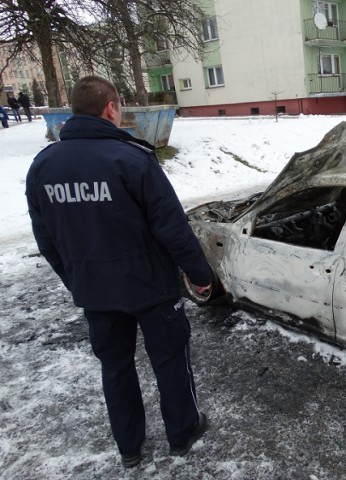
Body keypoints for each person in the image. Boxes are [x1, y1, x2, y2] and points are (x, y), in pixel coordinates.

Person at [25, 75, 212, 468]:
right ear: (111, 108)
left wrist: (76, 278)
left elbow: (47, 239)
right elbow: (172, 226)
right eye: (120, 106)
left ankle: (129, 447)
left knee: (116, 366)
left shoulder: (42, 166)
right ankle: (182, 431)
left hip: (95, 292)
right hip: (151, 288)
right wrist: (199, 273)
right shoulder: (132, 159)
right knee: (170, 360)